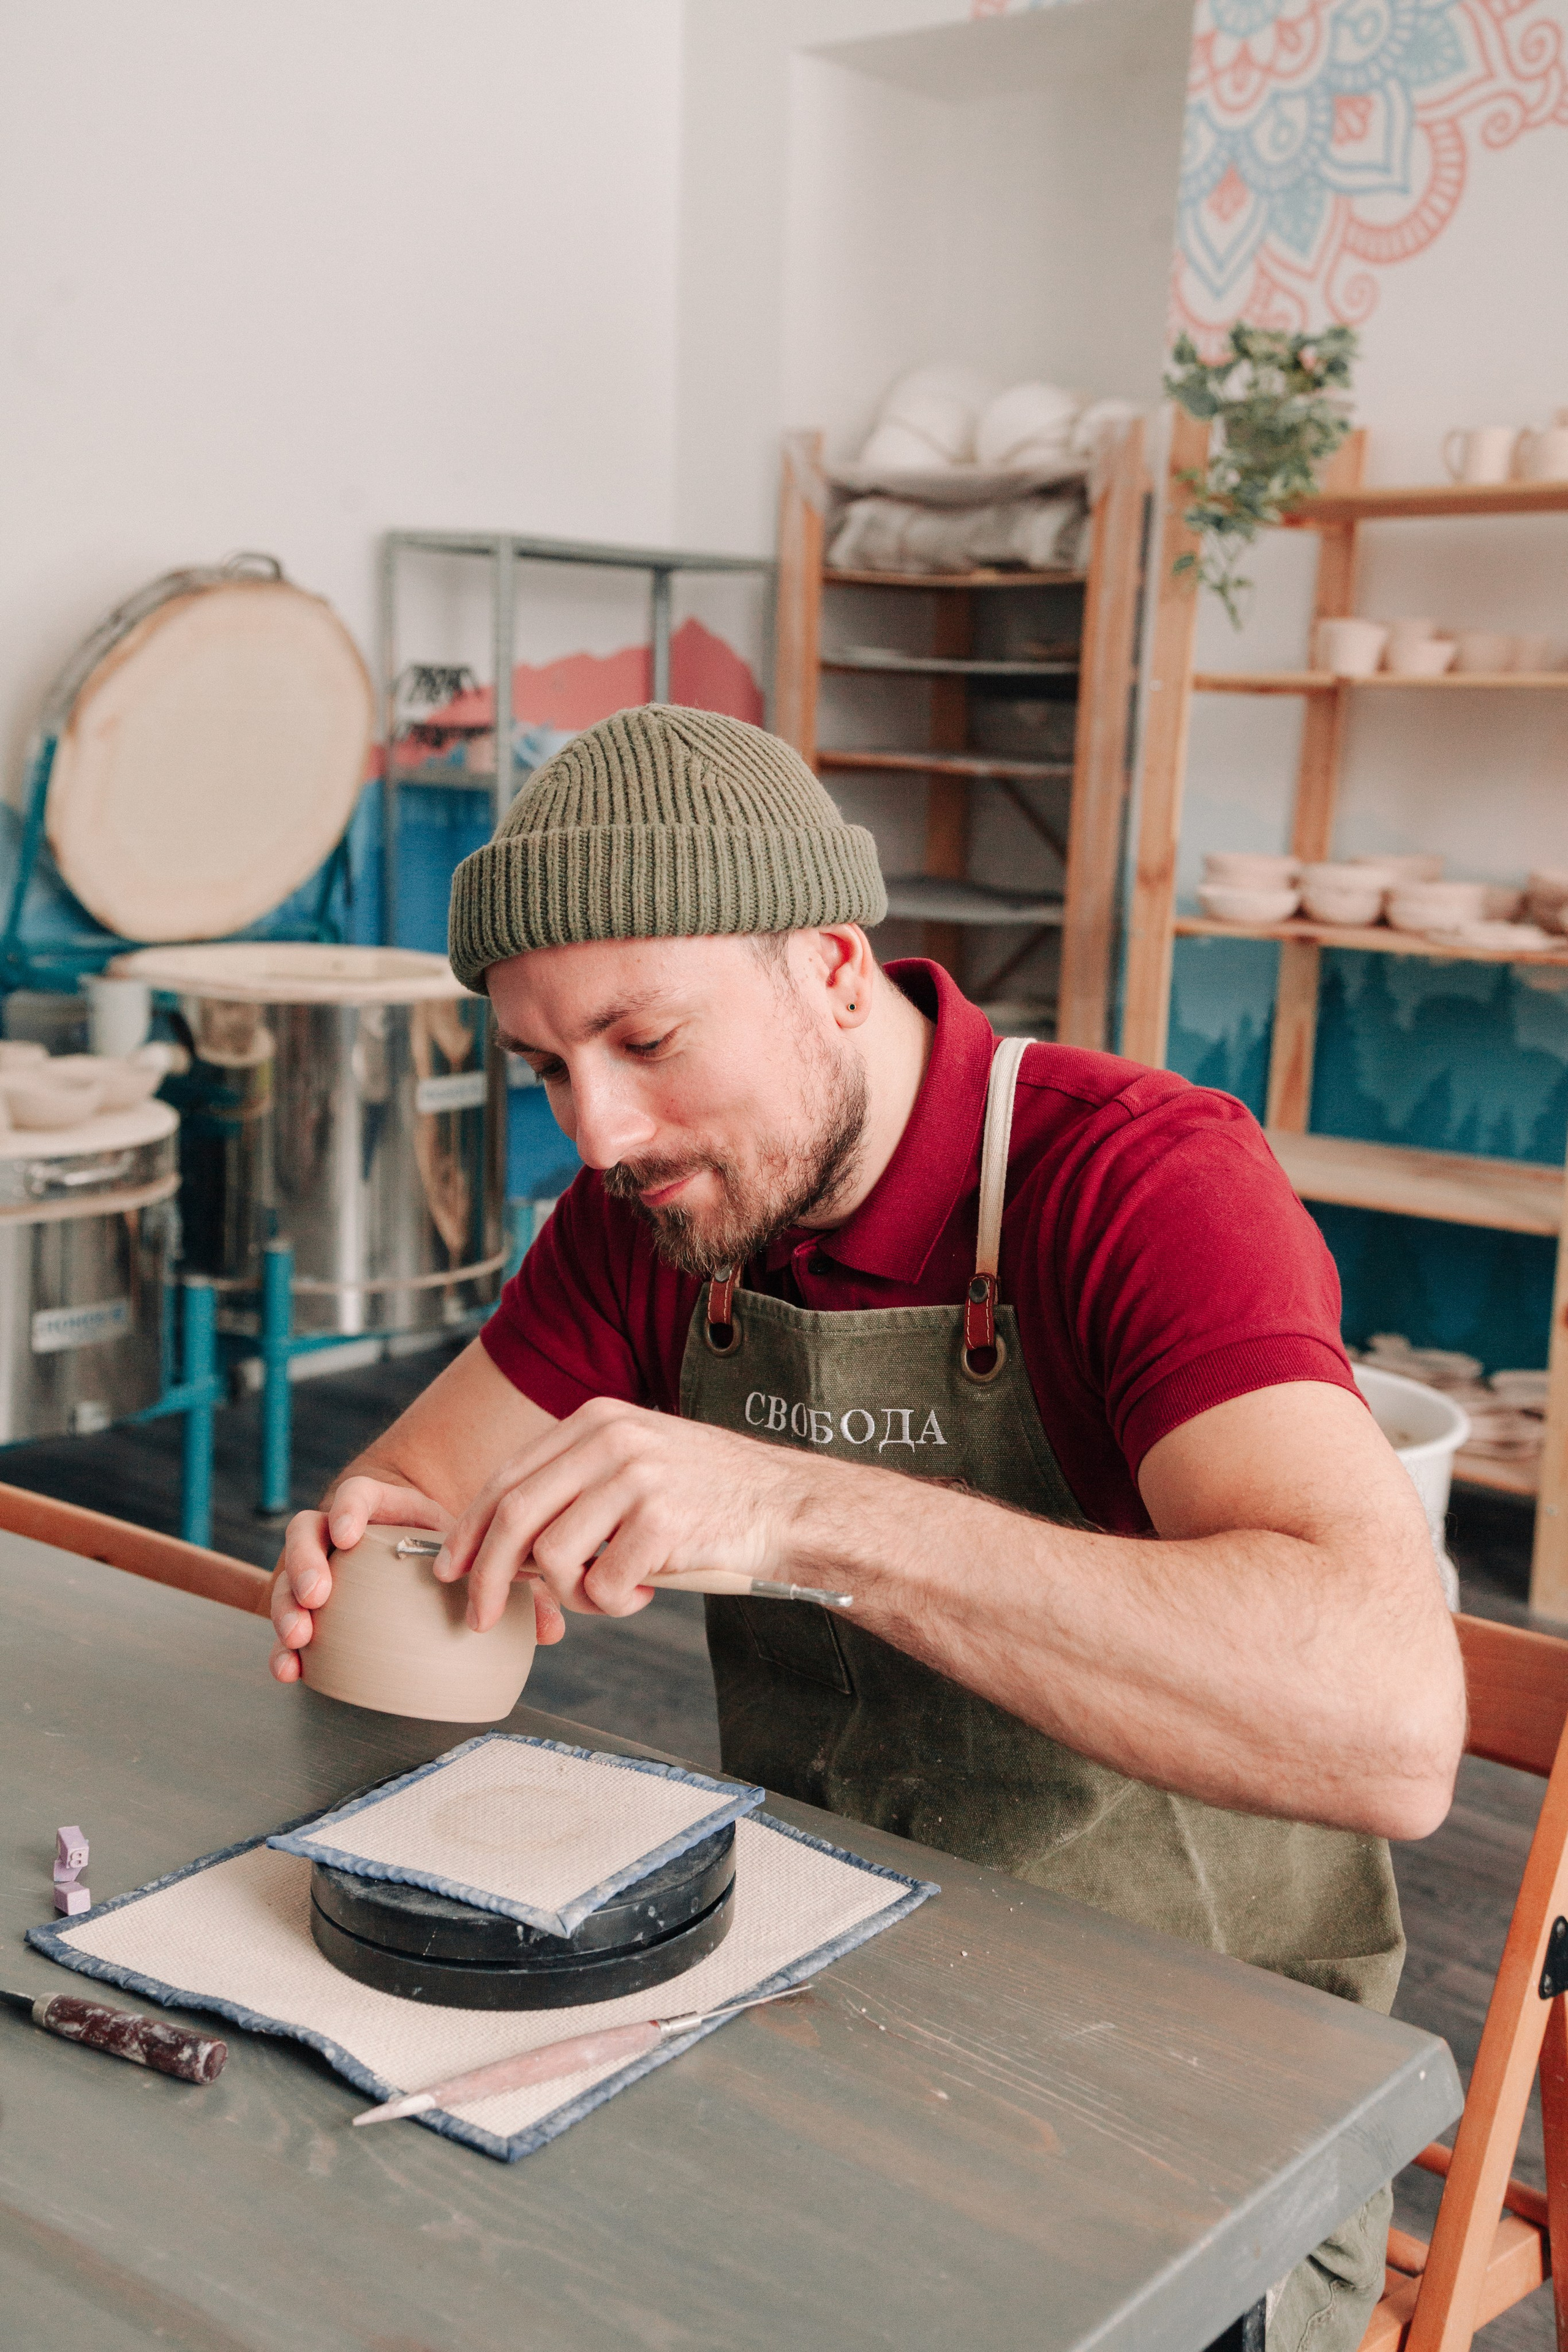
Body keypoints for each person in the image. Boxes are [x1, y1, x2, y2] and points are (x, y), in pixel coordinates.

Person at [270, 704, 1463, 2350]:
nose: (597, 1133)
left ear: (832, 963)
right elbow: (414, 1492)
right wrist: (374, 1541)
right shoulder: (654, 1210)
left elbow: (1393, 1728)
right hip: (806, 1992)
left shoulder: (1140, 1182)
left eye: (644, 1039)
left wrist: (806, 1513)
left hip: (1202, 2096)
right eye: (550, 1068)